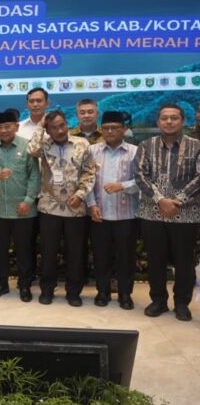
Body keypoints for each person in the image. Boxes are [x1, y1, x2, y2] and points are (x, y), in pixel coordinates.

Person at [135, 104, 200, 322]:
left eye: (174, 118)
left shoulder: (196, 146)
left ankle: (181, 304)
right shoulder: (146, 146)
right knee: (156, 260)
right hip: (153, 213)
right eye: (164, 118)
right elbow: (140, 176)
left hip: (186, 214)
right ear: (158, 122)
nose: (169, 122)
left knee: (184, 261)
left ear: (183, 121)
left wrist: (177, 201)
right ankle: (158, 301)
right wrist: (161, 200)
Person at [27, 110, 95, 307]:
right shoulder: (44, 145)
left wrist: (81, 194)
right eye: (54, 128)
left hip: (76, 208)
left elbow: (90, 172)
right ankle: (47, 290)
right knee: (48, 252)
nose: (59, 130)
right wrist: (40, 127)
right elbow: (31, 150)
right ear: (48, 130)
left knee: (75, 253)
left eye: (62, 125)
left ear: (67, 124)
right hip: (49, 207)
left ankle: (73, 292)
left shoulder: (82, 144)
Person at [0, 110, 40, 302]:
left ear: (16, 127)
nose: (3, 130)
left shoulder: (27, 146)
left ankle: (25, 286)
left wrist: (28, 201)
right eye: (0, 127)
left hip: (23, 209)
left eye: (7, 126)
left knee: (24, 251)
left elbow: (34, 176)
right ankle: (1, 284)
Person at [86, 111, 139, 310]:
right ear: (101, 130)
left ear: (124, 129)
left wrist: (122, 186)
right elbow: (86, 180)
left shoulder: (134, 151)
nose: (110, 131)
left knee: (126, 257)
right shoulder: (92, 151)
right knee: (101, 256)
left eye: (115, 128)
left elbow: (143, 181)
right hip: (99, 214)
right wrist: (91, 205)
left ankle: (125, 294)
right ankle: (103, 292)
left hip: (126, 215)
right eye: (106, 128)